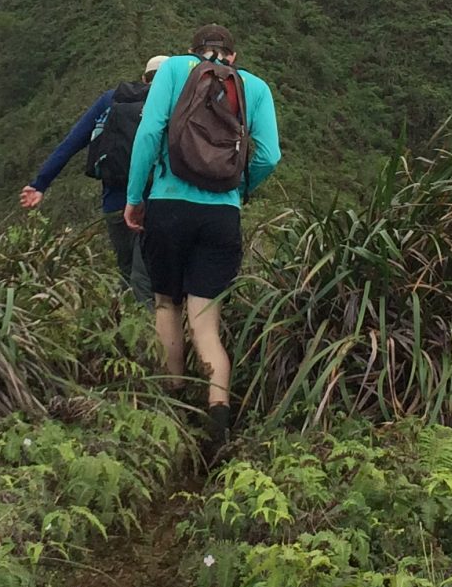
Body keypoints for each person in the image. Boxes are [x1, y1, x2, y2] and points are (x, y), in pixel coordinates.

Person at [122, 24, 280, 446]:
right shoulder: (254, 87)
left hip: (167, 206)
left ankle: (173, 412)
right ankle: (217, 428)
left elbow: (150, 133)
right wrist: (239, 189)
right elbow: (269, 154)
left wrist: (136, 196)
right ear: (233, 54)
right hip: (221, 215)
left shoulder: (174, 70)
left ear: (193, 50)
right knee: (205, 324)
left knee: (165, 306)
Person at [19, 56, 167, 295]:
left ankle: (123, 325)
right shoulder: (174, 102)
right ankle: (147, 329)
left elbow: (71, 142)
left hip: (115, 204)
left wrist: (40, 183)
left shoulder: (112, 99)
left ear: (143, 78)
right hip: (156, 202)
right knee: (148, 280)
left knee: (128, 274)